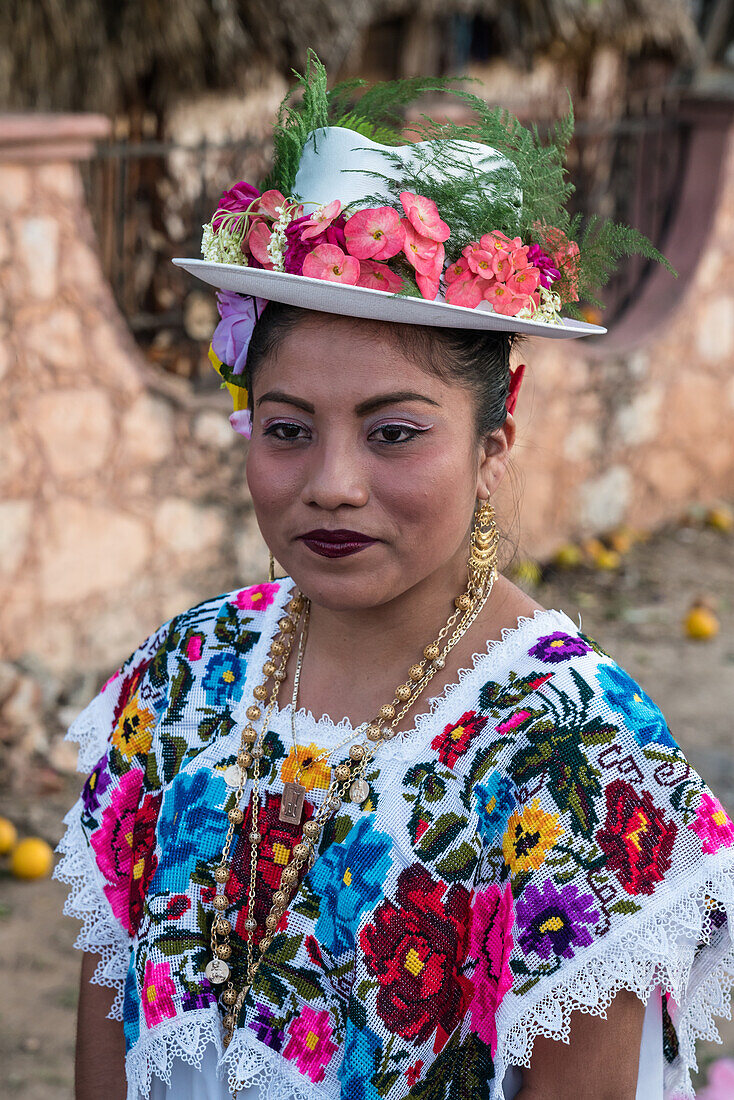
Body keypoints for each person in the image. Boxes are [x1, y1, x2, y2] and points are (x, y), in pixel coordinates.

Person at [57, 52, 733, 1100]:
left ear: (493, 429)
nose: (331, 484)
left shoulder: (574, 755)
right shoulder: (182, 679)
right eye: (286, 428)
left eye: (394, 432)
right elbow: (110, 1026)